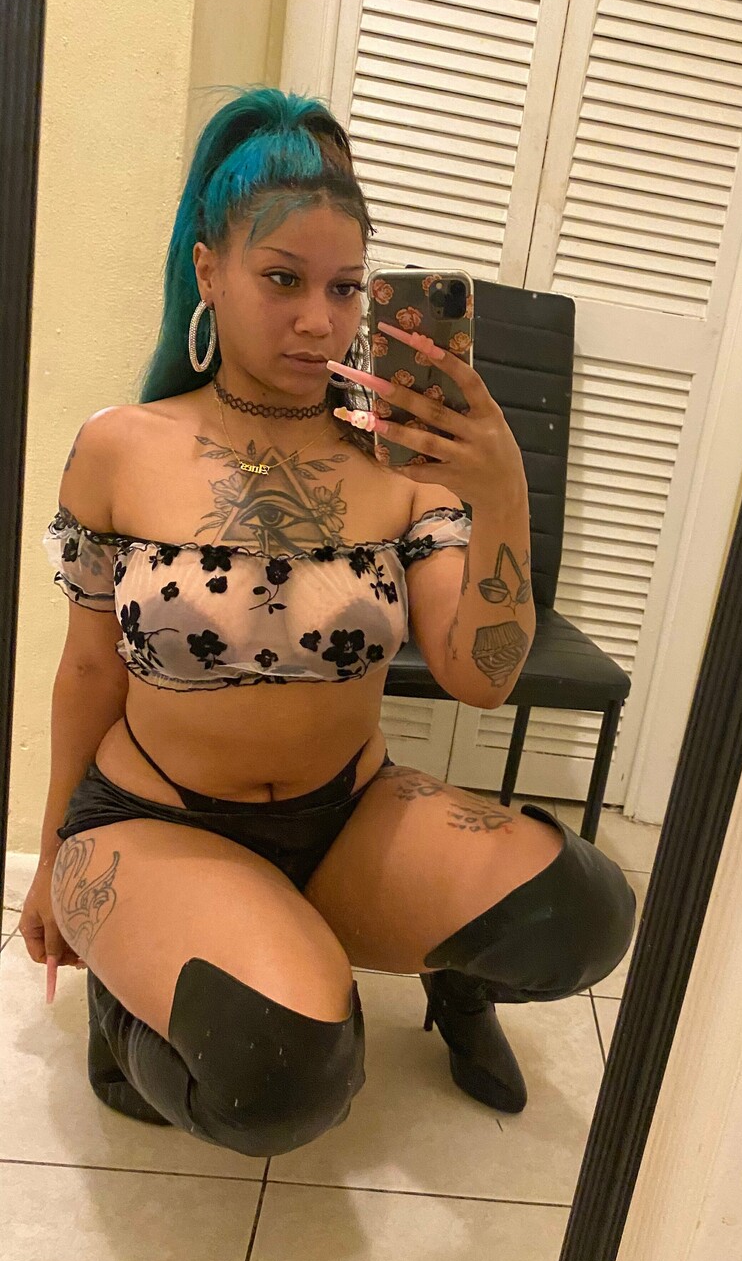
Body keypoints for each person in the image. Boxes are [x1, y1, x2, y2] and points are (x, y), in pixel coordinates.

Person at [16, 87, 635, 1157]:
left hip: (347, 814)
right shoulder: (120, 447)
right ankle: (133, 1006)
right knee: (284, 1074)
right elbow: (86, 673)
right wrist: (50, 860)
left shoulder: (404, 464)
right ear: (209, 270)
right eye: (282, 279)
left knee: (585, 913)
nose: (319, 319)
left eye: (345, 287)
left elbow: (482, 677)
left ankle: (437, 973)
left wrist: (502, 492)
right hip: (157, 820)